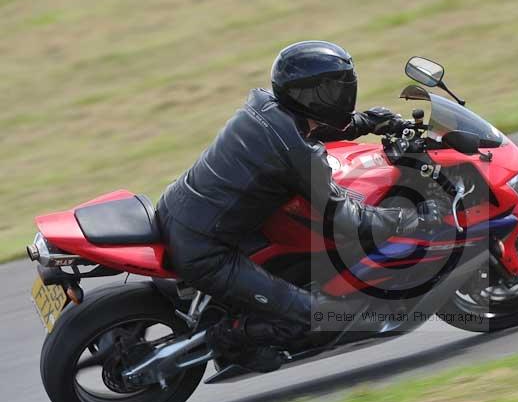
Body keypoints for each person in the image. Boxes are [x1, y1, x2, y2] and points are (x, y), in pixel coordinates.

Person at [157, 41, 439, 370]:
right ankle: (227, 340)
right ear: (310, 95)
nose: (342, 93)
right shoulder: (299, 155)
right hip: (205, 250)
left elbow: (308, 129)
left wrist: (368, 122)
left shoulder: (264, 106)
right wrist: (408, 220)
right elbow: (345, 219)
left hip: (182, 210)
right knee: (324, 319)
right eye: (333, 89)